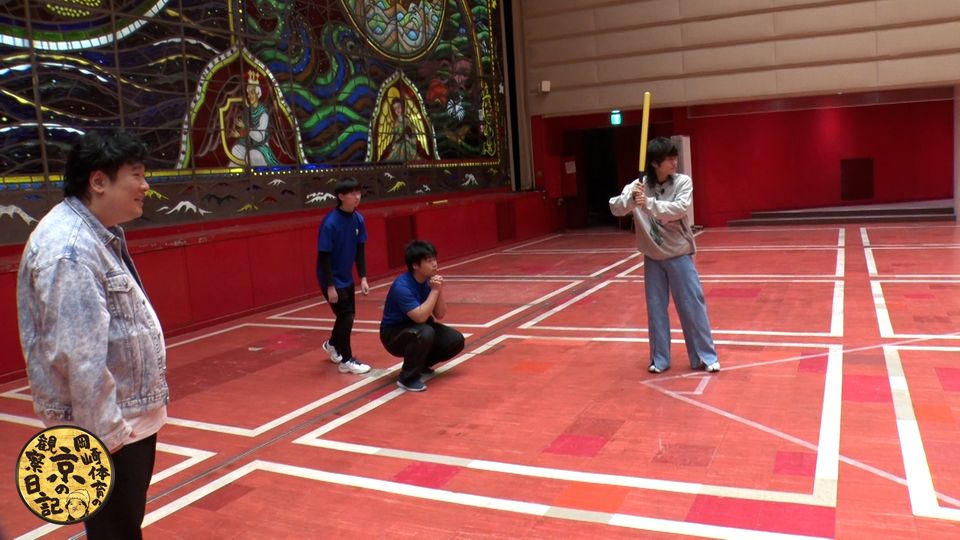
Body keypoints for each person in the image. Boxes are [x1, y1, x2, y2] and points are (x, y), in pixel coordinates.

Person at [17, 129, 169, 539]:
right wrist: (107, 437)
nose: (145, 185)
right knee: (115, 532)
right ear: (99, 181)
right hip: (109, 432)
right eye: (136, 175)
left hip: (121, 423)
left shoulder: (96, 234)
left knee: (120, 529)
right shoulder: (69, 250)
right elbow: (79, 356)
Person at [609, 136, 720, 374]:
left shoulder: (683, 182)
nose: (674, 162)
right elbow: (615, 207)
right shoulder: (637, 186)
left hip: (679, 254)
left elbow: (678, 209)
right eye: (668, 159)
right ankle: (660, 359)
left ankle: (705, 357)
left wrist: (647, 204)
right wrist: (630, 199)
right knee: (656, 309)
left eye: (674, 157)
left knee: (692, 306)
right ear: (654, 163)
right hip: (653, 257)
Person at [380, 240, 465, 392]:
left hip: (417, 327)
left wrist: (438, 290)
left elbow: (440, 314)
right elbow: (419, 317)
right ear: (415, 265)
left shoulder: (428, 282)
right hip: (394, 334)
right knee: (425, 332)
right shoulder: (402, 286)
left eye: (434, 259)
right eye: (429, 261)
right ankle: (407, 378)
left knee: (455, 340)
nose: (435, 264)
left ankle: (421, 364)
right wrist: (434, 291)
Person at [316, 177, 371, 374]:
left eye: (359, 192)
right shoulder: (330, 222)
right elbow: (324, 256)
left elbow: (360, 250)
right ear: (341, 196)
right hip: (330, 278)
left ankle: (332, 344)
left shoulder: (358, 219)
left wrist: (363, 277)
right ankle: (346, 360)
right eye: (352, 193)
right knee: (346, 317)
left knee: (346, 316)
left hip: (346, 277)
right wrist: (330, 286)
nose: (357, 197)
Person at [230, 70, 278, 167]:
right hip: (248, 143)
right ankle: (238, 175)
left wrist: (245, 126)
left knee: (252, 155)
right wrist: (239, 134)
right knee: (236, 150)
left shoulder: (263, 114)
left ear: (258, 94)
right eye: (248, 93)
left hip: (260, 146)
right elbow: (246, 132)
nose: (249, 96)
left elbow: (260, 137)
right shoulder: (247, 111)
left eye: (252, 93)